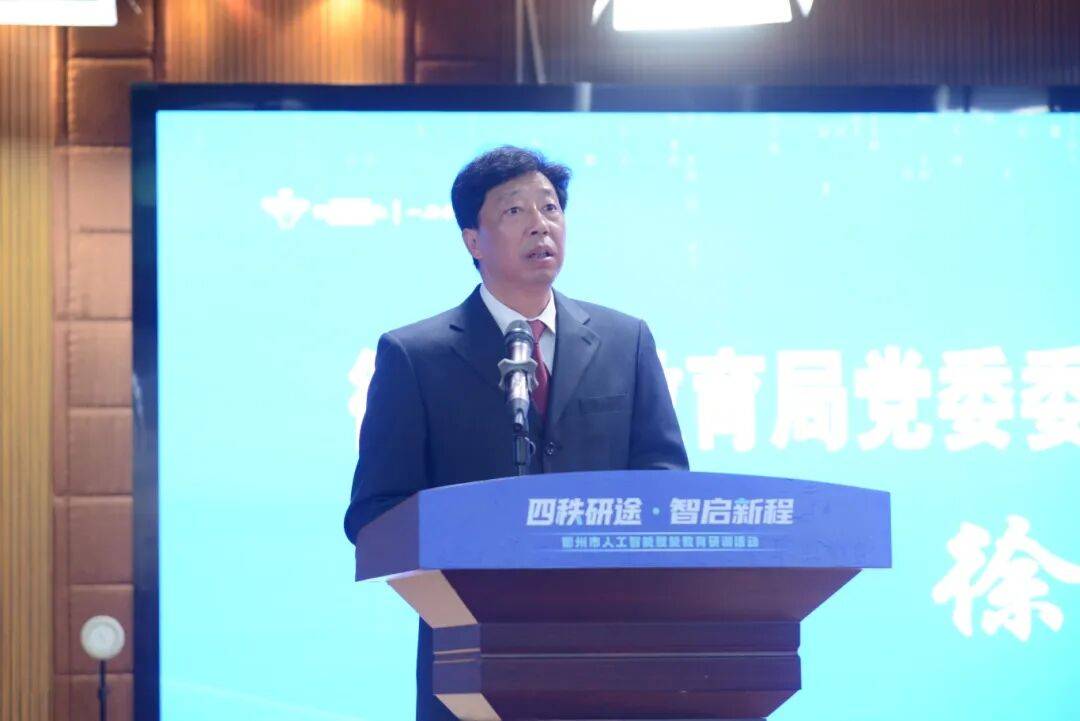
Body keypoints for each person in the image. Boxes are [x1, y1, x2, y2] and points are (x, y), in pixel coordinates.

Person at [344, 145, 688, 721]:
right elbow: (373, 514)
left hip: (610, 648)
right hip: (471, 654)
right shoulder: (415, 356)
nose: (539, 224)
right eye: (513, 210)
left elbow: (665, 483)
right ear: (472, 242)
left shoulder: (625, 341)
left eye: (550, 208)